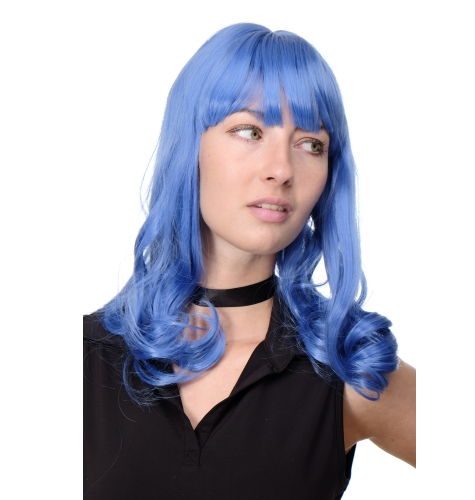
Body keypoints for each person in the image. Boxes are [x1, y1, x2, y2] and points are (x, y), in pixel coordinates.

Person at [83, 23, 416, 499]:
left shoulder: (347, 367)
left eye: (311, 144)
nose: (281, 170)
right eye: (249, 131)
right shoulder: (81, 360)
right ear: (190, 147)